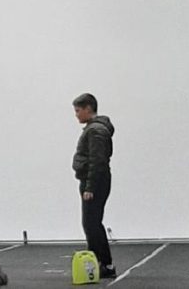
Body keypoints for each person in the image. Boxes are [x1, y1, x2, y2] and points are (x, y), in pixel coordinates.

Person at [71, 93, 116, 279]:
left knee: (92, 223)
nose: (76, 115)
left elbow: (97, 161)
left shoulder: (95, 130)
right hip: (96, 181)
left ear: (88, 108)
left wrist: (89, 187)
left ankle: (105, 264)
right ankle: (98, 262)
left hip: (95, 183)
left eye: (78, 110)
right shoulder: (95, 129)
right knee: (91, 223)